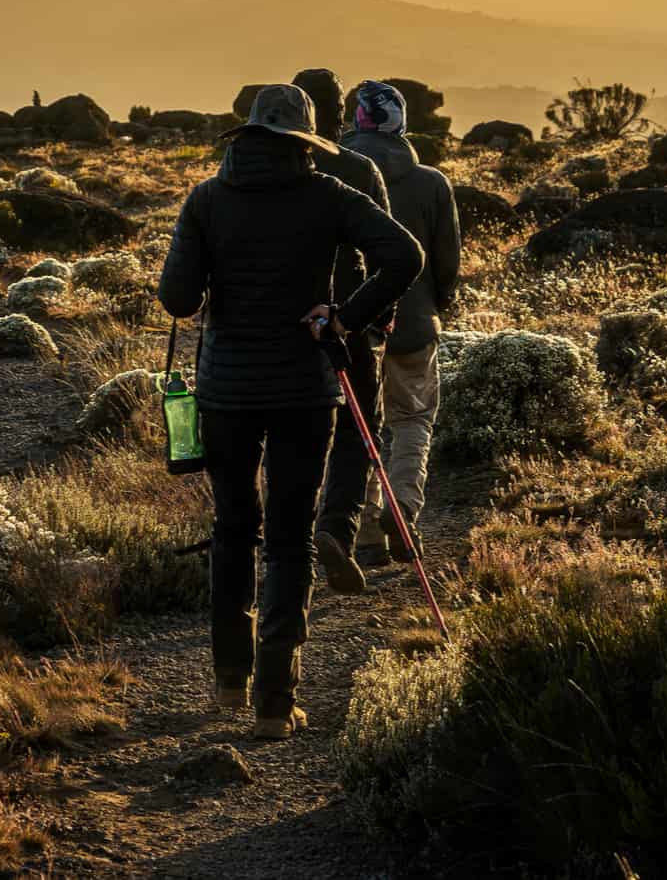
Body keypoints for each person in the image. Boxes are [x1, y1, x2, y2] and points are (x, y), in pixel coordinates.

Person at [158, 84, 421, 740]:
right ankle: (275, 702)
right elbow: (404, 255)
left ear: (246, 136)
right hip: (306, 389)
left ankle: (228, 679)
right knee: (288, 538)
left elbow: (177, 298)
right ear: (305, 141)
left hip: (225, 392)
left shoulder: (206, 199)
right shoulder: (329, 196)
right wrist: (346, 315)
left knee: (232, 527)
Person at [340, 81, 461, 567]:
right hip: (413, 323)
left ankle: (367, 532)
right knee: (411, 419)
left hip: (351, 323)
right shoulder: (431, 182)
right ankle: (403, 508)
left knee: (359, 425)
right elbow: (447, 258)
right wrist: (437, 301)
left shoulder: (335, 171)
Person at [289, 68, 392, 598]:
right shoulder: (360, 169)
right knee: (358, 430)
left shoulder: (264, 170)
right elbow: (389, 254)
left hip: (282, 324)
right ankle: (336, 530)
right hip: (347, 320)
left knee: (290, 432)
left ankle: (290, 541)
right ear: (340, 113)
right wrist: (374, 314)